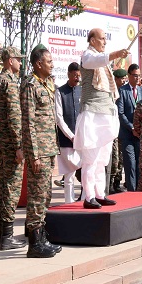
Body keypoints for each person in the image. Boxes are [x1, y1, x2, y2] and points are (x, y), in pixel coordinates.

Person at [75, 28, 130, 209]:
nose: (104, 42)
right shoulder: (87, 57)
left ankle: (99, 194)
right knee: (90, 158)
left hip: (106, 113)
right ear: (92, 40)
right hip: (92, 113)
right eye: (102, 39)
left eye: (106, 39)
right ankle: (88, 196)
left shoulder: (103, 62)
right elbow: (97, 60)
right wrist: (114, 54)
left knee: (102, 159)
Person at [21, 46, 62, 257]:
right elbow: (28, 122)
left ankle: (42, 237)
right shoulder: (30, 85)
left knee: (45, 195)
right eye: (49, 61)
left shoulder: (47, 84)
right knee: (36, 197)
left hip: (49, 149)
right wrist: (33, 154)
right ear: (38, 64)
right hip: (39, 151)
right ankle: (34, 245)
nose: (52, 64)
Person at [0, 45, 27, 251]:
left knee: (3, 187)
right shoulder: (10, 83)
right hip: (11, 145)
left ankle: (4, 236)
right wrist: (19, 146)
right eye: (18, 60)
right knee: (11, 189)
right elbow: (14, 117)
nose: (20, 64)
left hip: (2, 142)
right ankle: (7, 237)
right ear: (10, 60)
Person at [117, 64, 142, 192]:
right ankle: (131, 191)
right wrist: (132, 128)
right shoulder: (122, 91)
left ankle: (139, 191)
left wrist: (140, 129)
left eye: (139, 76)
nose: (137, 78)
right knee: (130, 164)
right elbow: (121, 113)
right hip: (127, 135)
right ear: (129, 76)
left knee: (140, 164)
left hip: (140, 135)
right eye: (135, 75)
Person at [55, 62, 82, 203]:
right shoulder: (60, 92)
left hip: (82, 140)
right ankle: (69, 202)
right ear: (68, 74)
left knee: (85, 172)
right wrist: (71, 136)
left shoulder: (82, 91)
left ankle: (85, 199)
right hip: (66, 141)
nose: (77, 78)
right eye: (75, 75)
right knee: (69, 175)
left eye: (79, 75)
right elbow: (59, 118)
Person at [109, 69, 128, 193]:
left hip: (122, 131)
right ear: (115, 79)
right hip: (111, 131)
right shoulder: (111, 92)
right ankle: (109, 184)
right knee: (113, 160)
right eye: (121, 79)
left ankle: (116, 183)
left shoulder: (124, 91)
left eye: (124, 78)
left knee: (120, 159)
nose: (124, 81)